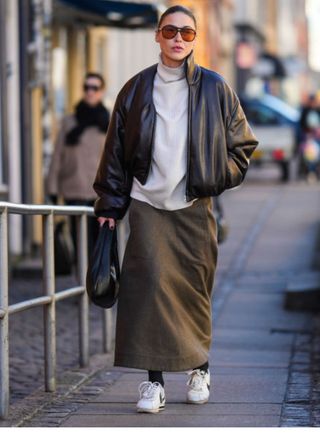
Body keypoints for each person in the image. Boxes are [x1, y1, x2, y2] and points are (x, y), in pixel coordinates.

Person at [93, 5, 258, 414]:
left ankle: (199, 368)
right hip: (148, 203)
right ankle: (153, 384)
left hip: (194, 205)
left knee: (192, 290)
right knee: (148, 291)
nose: (178, 39)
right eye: (170, 31)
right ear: (157, 35)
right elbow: (114, 152)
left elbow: (243, 147)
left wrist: (212, 179)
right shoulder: (134, 89)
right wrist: (110, 204)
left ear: (195, 38)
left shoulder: (215, 88)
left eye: (186, 33)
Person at [46, 72, 110, 258]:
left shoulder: (108, 121)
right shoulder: (69, 122)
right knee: (78, 241)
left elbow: (117, 158)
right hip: (73, 189)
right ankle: (81, 281)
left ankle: (96, 283)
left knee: (99, 242)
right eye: (86, 88)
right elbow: (57, 155)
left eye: (95, 88)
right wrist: (52, 189)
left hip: (99, 192)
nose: (90, 92)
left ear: (101, 92)